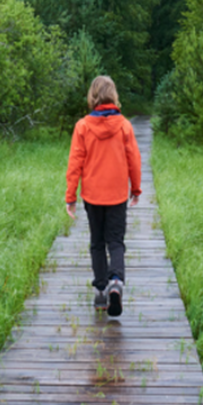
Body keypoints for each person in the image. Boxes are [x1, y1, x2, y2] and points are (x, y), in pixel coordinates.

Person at [64, 76, 142, 317]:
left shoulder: (83, 126)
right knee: (116, 242)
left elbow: (75, 162)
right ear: (113, 95)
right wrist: (136, 189)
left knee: (97, 243)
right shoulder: (125, 126)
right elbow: (134, 160)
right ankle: (116, 282)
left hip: (92, 196)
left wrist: (71, 196)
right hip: (117, 195)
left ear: (93, 96)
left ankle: (100, 291)